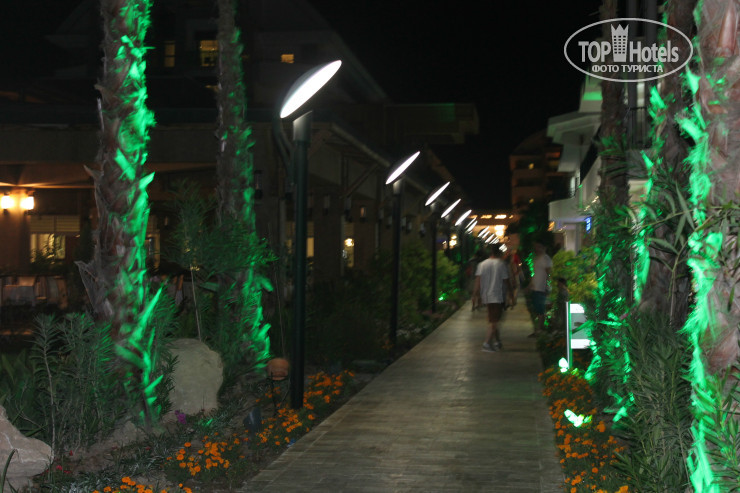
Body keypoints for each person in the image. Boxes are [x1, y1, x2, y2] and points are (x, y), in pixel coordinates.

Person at [473, 246, 514, 352]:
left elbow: (477, 281)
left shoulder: (482, 264)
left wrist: (475, 295)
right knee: (494, 321)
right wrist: (511, 295)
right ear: (499, 253)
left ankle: (497, 341)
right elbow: (506, 281)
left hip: (486, 296)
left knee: (493, 319)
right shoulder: (501, 264)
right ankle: (486, 343)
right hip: (497, 295)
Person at [528, 241, 552, 337]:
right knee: (538, 310)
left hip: (541, 288)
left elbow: (549, 273)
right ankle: (539, 329)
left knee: (541, 310)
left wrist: (547, 286)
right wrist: (530, 285)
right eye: (535, 246)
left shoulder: (546, 259)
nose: (536, 249)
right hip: (536, 288)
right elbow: (535, 274)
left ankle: (540, 330)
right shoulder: (537, 259)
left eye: (539, 246)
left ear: (544, 247)